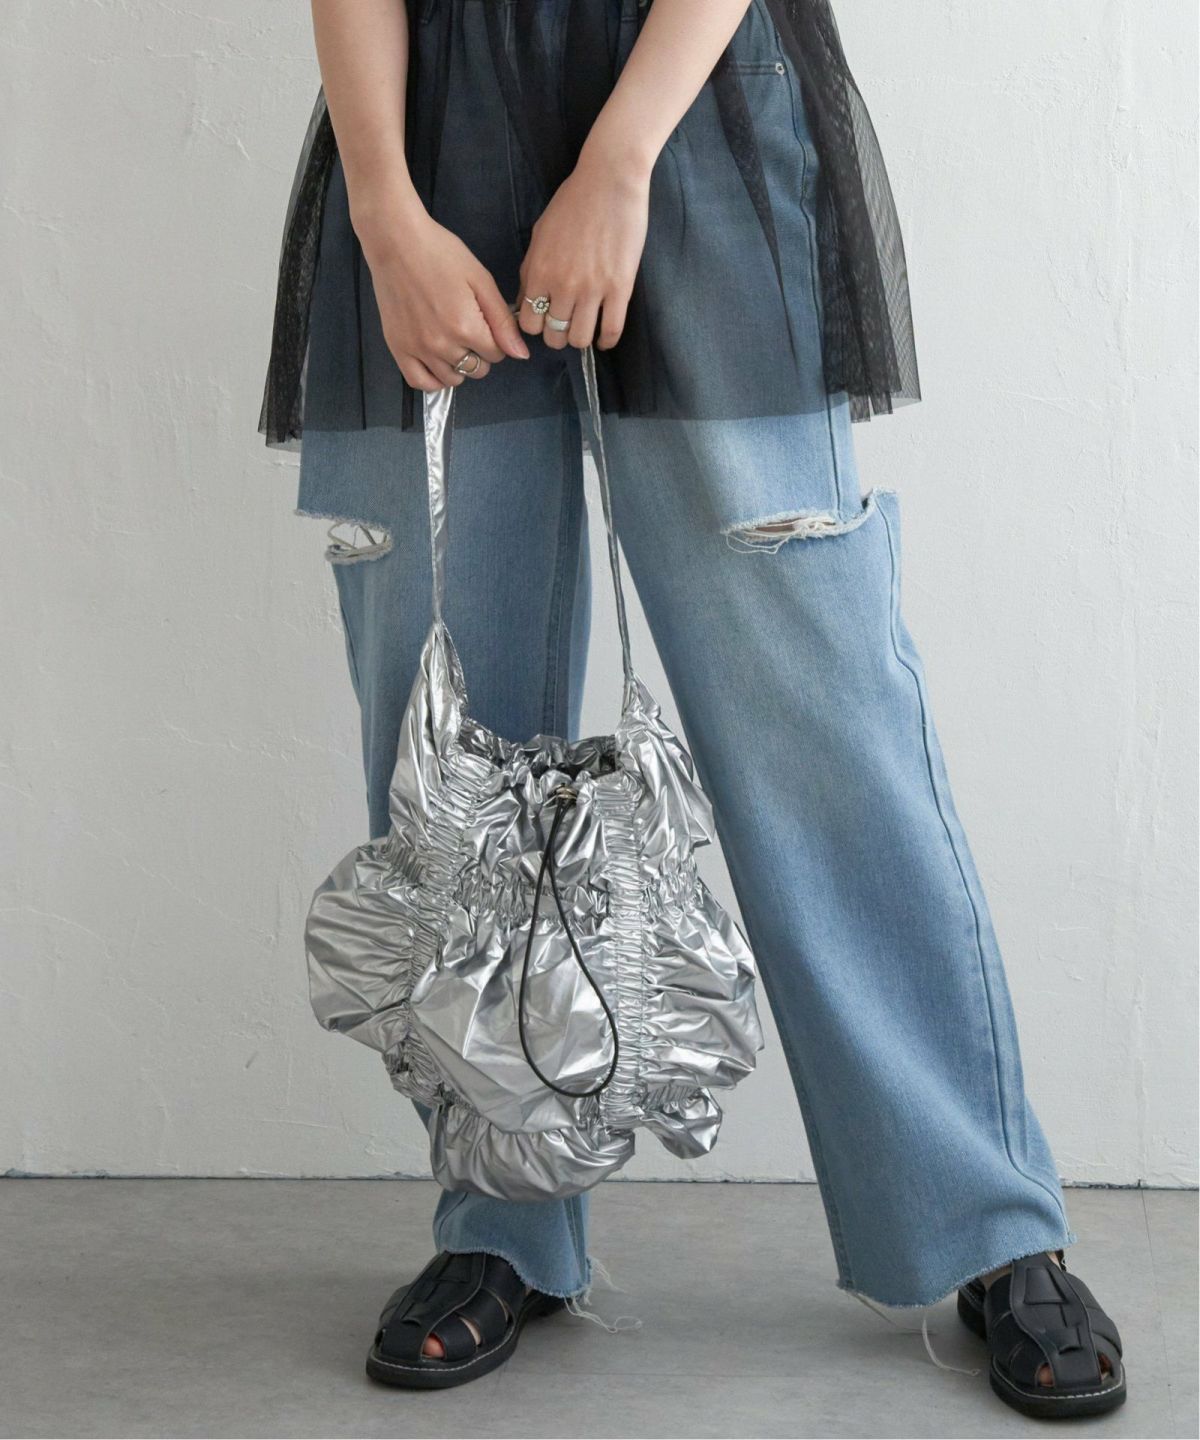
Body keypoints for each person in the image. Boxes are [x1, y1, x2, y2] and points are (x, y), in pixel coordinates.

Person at [260, 0, 1126, 1419]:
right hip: (431, 130)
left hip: (693, 110)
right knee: (449, 731)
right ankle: (503, 1218)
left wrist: (618, 163)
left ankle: (985, 1221)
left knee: (819, 725)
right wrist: (385, 215)